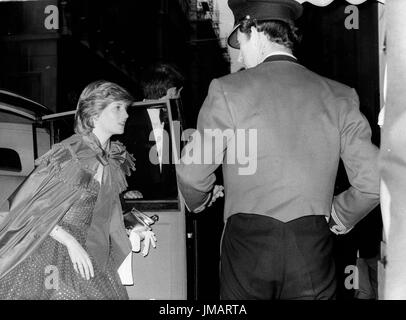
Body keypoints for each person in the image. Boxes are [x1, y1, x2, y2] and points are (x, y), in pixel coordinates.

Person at [176, 0, 380, 300]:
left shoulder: (227, 90)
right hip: (312, 245)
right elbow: (374, 181)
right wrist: (339, 215)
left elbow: (193, 174)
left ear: (254, 31)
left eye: (240, 42)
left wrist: (200, 201)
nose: (239, 53)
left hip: (247, 246)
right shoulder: (340, 96)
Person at [0, 80, 151, 299]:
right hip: (54, 247)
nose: (126, 115)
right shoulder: (74, 153)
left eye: (125, 108)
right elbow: (32, 209)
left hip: (91, 248)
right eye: (117, 108)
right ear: (94, 115)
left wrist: (135, 226)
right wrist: (70, 242)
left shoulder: (110, 157)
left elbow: (104, 212)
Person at [122, 63, 184, 200]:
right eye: (178, 92)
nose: (179, 97)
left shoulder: (176, 121)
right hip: (136, 202)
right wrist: (125, 192)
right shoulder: (125, 121)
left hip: (172, 203)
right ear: (171, 91)